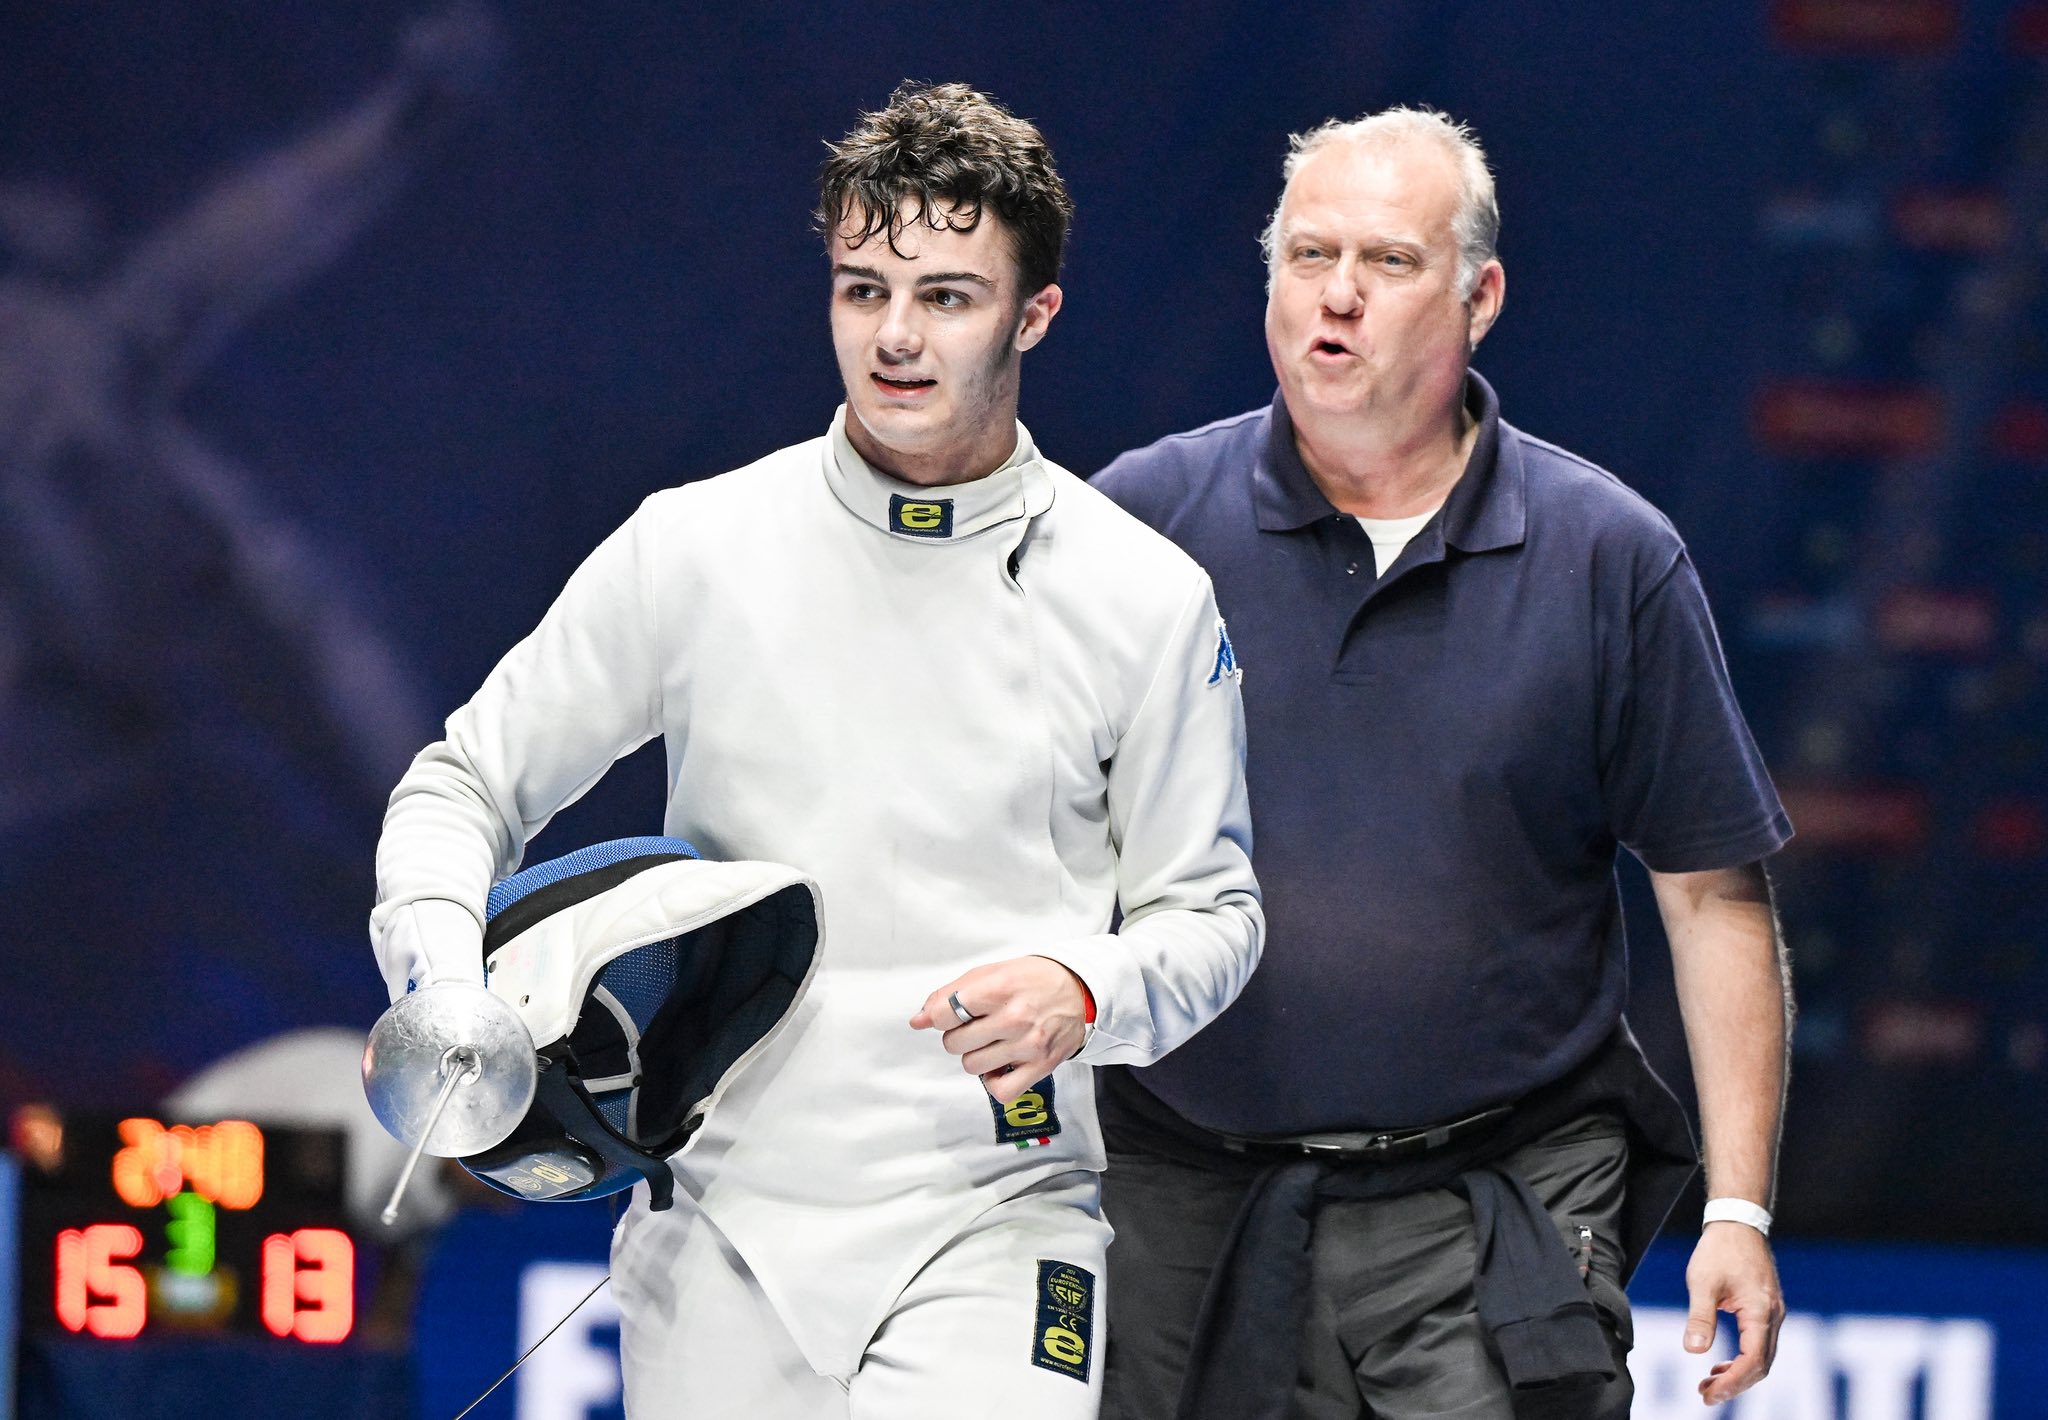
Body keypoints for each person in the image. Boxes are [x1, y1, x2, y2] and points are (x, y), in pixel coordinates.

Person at [369, 82, 1262, 1420]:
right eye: (863, 290)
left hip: (999, 1211)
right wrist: (449, 992)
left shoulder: (1145, 598)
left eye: (948, 297)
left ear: (1034, 315)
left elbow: (1215, 916)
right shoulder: (697, 547)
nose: (895, 336)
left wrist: (1090, 985)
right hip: (719, 1223)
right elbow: (463, 784)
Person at [1091, 107, 1792, 1419]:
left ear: (1482, 297)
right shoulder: (1136, 522)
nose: (1337, 295)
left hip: (1502, 1190)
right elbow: (1019, 835)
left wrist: (1739, 1210)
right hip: (1180, 1189)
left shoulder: (1610, 556)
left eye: (1389, 261)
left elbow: (1713, 897)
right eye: (1308, 255)